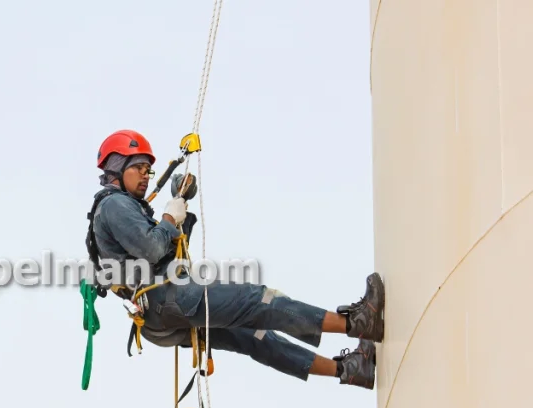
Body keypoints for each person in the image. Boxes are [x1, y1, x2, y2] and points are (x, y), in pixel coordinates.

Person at [84, 129, 384, 389]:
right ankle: (357, 323)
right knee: (259, 301)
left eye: (150, 171)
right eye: (139, 168)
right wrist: (167, 217)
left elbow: (169, 251)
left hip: (160, 314)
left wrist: (181, 207)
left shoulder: (127, 209)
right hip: (166, 297)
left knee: (255, 336)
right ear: (116, 168)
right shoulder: (114, 205)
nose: (147, 177)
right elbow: (152, 248)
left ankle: (350, 370)